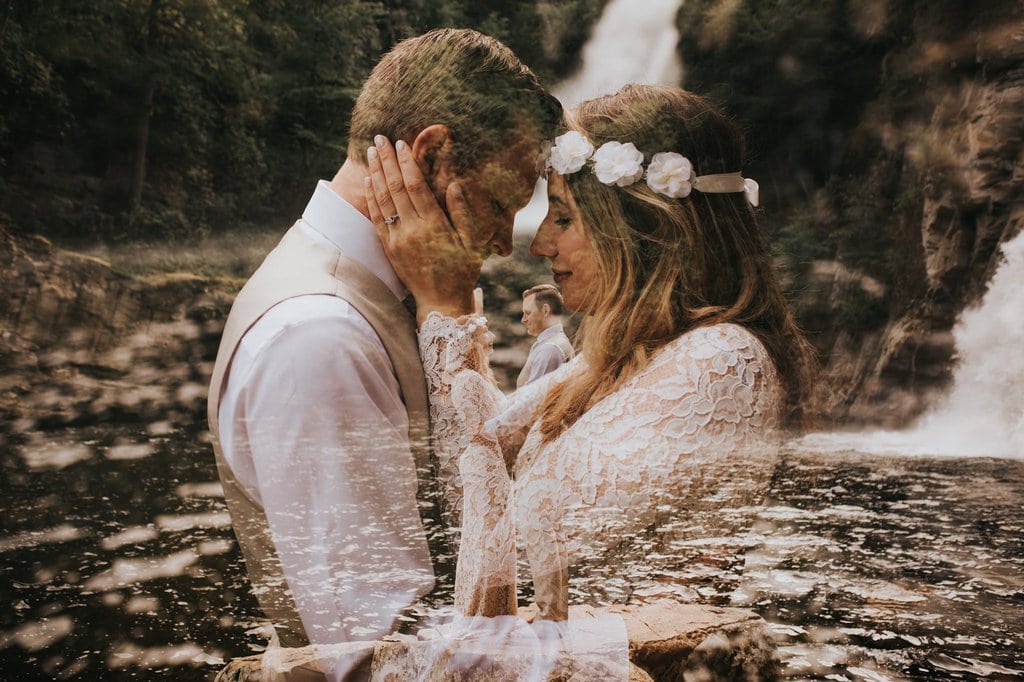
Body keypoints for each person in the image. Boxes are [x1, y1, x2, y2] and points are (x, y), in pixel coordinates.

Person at [365, 84, 816, 622]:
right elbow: (475, 460)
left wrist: (444, 302)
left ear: (644, 227)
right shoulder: (619, 358)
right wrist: (451, 310)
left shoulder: (721, 361)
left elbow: (502, 545)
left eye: (562, 217)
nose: (539, 245)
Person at [205, 28, 562, 680]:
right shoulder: (322, 338)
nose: (508, 242)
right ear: (433, 155)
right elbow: (383, 657)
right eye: (503, 202)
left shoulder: (412, 301)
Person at [517, 284, 574, 388]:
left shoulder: (550, 348)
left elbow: (533, 399)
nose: (523, 320)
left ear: (545, 311)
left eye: (527, 313)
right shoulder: (554, 342)